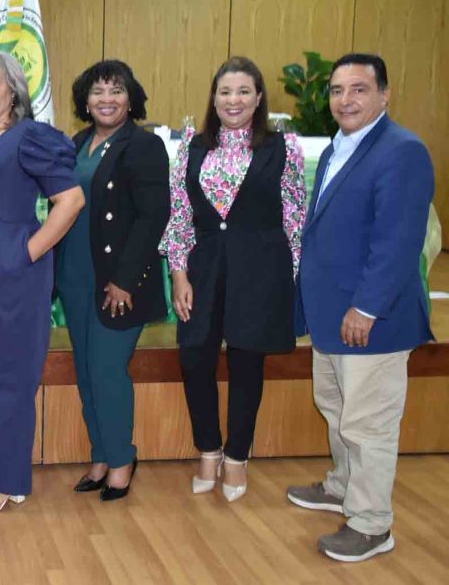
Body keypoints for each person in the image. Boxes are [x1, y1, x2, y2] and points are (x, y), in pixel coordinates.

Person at [287, 53, 434, 563]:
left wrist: (367, 308)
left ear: (384, 95)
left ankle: (372, 524)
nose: (345, 100)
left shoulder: (403, 151)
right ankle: (342, 486)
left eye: (359, 89)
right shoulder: (337, 147)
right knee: (337, 409)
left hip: (372, 321)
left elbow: (398, 242)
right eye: (337, 90)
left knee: (368, 423)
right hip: (332, 315)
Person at [160, 56, 305, 502]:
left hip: (260, 270)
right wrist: (179, 274)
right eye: (225, 91)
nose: (233, 100)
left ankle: (238, 456)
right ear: (214, 97)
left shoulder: (283, 147)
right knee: (195, 358)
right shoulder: (192, 147)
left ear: (258, 98)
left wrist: (286, 279)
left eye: (243, 91)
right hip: (202, 270)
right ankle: (209, 450)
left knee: (246, 364)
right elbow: (179, 215)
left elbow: (294, 217)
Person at [0, 52, 84, 516]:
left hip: (11, 278)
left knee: (6, 376)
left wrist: (25, 253)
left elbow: (70, 200)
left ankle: (5, 481)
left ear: (14, 90)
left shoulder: (29, 136)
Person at [57, 60, 170, 501]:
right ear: (85, 101)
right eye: (98, 91)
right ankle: (101, 456)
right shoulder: (77, 144)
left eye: (116, 90)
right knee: (87, 373)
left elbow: (152, 217)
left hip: (118, 283)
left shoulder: (144, 146)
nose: (107, 99)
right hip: (75, 277)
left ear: (131, 98)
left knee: (107, 371)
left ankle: (122, 460)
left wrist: (125, 279)